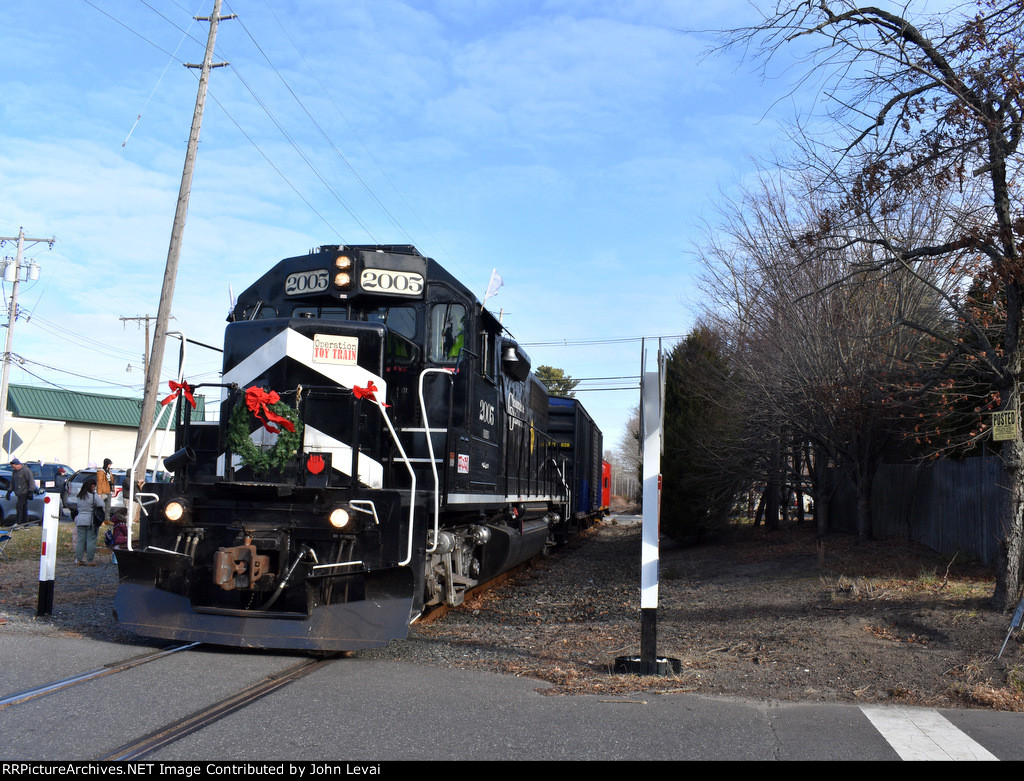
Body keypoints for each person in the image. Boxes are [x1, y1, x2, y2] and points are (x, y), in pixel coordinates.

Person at [75, 478, 101, 566]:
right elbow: (101, 504)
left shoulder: (79, 496)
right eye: (94, 486)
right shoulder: (93, 495)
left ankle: (79, 559)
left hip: (80, 519)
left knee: (81, 541)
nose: (94, 488)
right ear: (92, 486)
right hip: (90, 520)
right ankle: (90, 560)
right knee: (91, 540)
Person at [10, 458, 36, 526]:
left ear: (18, 464)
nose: (13, 468)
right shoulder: (15, 472)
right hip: (18, 493)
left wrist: (31, 490)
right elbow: (13, 482)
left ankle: (18, 523)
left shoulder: (26, 471)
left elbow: (31, 481)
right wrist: (9, 491)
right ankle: (25, 524)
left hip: (24, 492)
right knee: (24, 509)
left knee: (19, 506)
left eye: (14, 467)